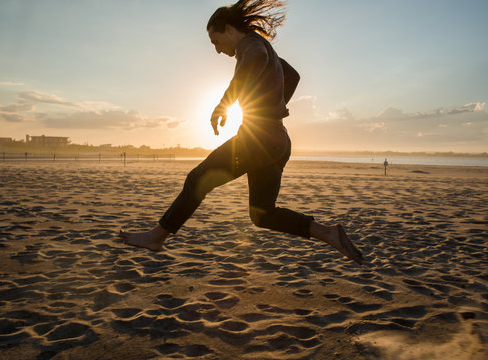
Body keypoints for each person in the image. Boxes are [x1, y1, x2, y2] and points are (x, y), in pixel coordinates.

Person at [120, 0, 363, 265]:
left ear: (228, 29)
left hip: (256, 140)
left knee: (197, 180)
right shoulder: (264, 48)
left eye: (215, 41)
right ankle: (328, 233)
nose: (216, 50)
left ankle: (156, 237)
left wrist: (224, 104)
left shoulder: (250, 46)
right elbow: (292, 76)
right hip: (278, 139)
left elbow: (256, 62)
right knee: (262, 214)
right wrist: (273, 105)